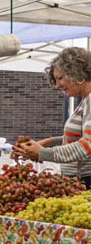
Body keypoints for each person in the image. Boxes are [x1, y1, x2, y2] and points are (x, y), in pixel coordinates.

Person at [12, 47, 91, 186]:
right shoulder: (85, 101)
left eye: (60, 78)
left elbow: (87, 146)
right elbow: (78, 138)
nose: (58, 85)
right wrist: (46, 143)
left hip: (86, 180)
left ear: (77, 74)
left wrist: (43, 153)